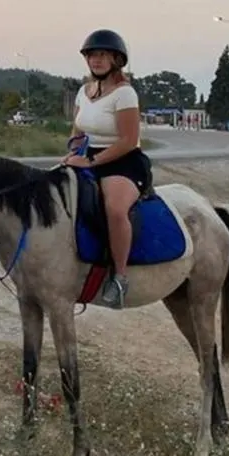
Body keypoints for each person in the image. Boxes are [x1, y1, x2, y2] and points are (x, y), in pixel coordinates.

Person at [63, 28, 152, 309]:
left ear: (116, 59)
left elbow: (127, 140)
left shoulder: (125, 94)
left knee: (114, 209)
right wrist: (72, 153)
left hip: (123, 161)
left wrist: (90, 163)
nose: (96, 60)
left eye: (102, 55)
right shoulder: (84, 92)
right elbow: (78, 130)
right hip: (88, 155)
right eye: (92, 55)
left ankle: (120, 277)